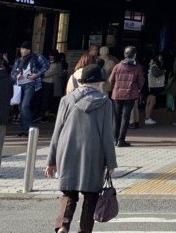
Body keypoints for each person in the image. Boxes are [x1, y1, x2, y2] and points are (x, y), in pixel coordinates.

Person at [45, 64, 117, 233]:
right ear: (99, 83)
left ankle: (63, 225)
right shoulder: (105, 102)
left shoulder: (66, 100)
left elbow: (57, 132)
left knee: (69, 192)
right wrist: (111, 162)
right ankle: (84, 230)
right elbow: (107, 135)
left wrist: (51, 161)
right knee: (91, 195)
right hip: (93, 152)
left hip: (67, 149)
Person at [108, 46, 146, 147]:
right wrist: (138, 89)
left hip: (117, 95)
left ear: (125, 55)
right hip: (130, 95)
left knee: (116, 117)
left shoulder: (118, 66)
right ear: (134, 55)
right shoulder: (137, 67)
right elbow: (141, 81)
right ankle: (121, 140)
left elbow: (111, 80)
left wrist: (114, 89)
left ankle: (114, 139)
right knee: (126, 117)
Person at [11, 40, 50, 136]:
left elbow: (46, 65)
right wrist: (17, 76)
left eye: (23, 49)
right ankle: (24, 129)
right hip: (20, 85)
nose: (21, 51)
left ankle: (28, 129)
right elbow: (12, 73)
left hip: (30, 84)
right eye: (21, 49)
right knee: (21, 107)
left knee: (25, 105)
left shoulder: (37, 57)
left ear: (29, 50)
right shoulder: (19, 60)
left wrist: (37, 75)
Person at [41, 49, 65, 119]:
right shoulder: (51, 63)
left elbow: (46, 74)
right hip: (48, 83)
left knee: (48, 100)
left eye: (51, 55)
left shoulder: (56, 65)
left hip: (51, 84)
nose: (50, 56)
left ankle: (46, 114)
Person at [145, 53, 167, 125]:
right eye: (160, 56)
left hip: (149, 86)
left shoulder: (150, 63)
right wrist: (163, 71)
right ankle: (148, 118)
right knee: (152, 102)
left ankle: (147, 117)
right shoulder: (154, 65)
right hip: (153, 86)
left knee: (148, 102)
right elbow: (155, 74)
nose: (161, 58)